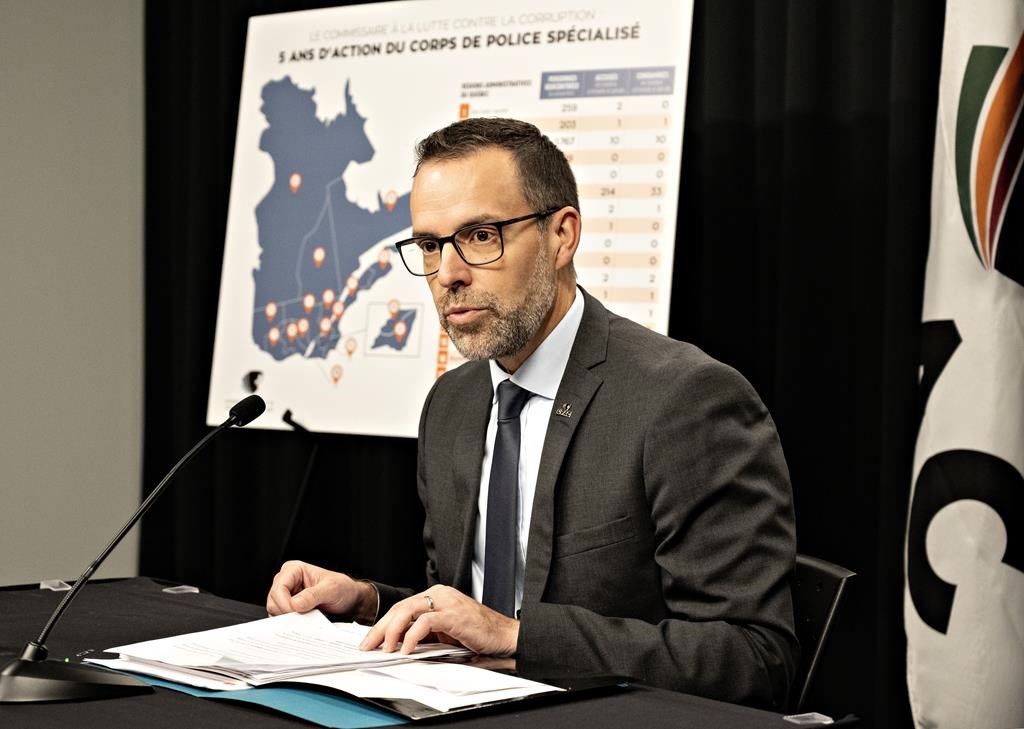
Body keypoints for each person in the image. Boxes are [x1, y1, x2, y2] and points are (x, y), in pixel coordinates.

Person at [267, 118, 798, 708]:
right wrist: (367, 602)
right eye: (430, 246)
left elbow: (754, 657)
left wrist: (518, 638)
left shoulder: (684, 399)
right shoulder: (451, 404)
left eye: (480, 235)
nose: (448, 275)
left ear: (562, 236)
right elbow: (466, 614)